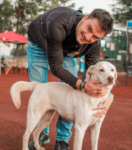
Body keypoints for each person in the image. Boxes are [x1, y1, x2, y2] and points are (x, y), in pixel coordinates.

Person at [26, 6, 114, 150]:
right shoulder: (58, 23)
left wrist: (108, 95)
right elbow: (56, 67)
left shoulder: (93, 45)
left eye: (95, 37)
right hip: (38, 45)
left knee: (73, 93)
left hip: (66, 51)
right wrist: (82, 85)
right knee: (39, 89)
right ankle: (41, 134)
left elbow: (92, 79)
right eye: (89, 28)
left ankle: (62, 139)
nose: (88, 37)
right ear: (85, 18)